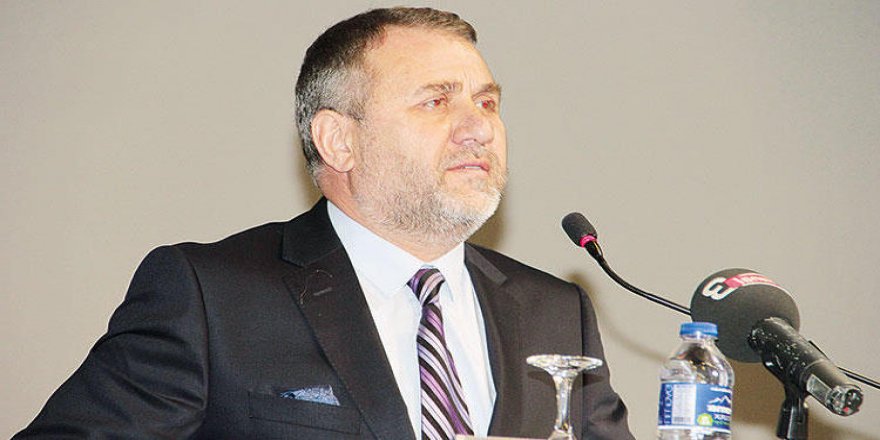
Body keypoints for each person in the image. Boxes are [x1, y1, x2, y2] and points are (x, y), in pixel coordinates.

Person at [15, 7, 633, 440]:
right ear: (338, 140)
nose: (479, 127)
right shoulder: (211, 297)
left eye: (488, 102)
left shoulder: (557, 311)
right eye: (436, 100)